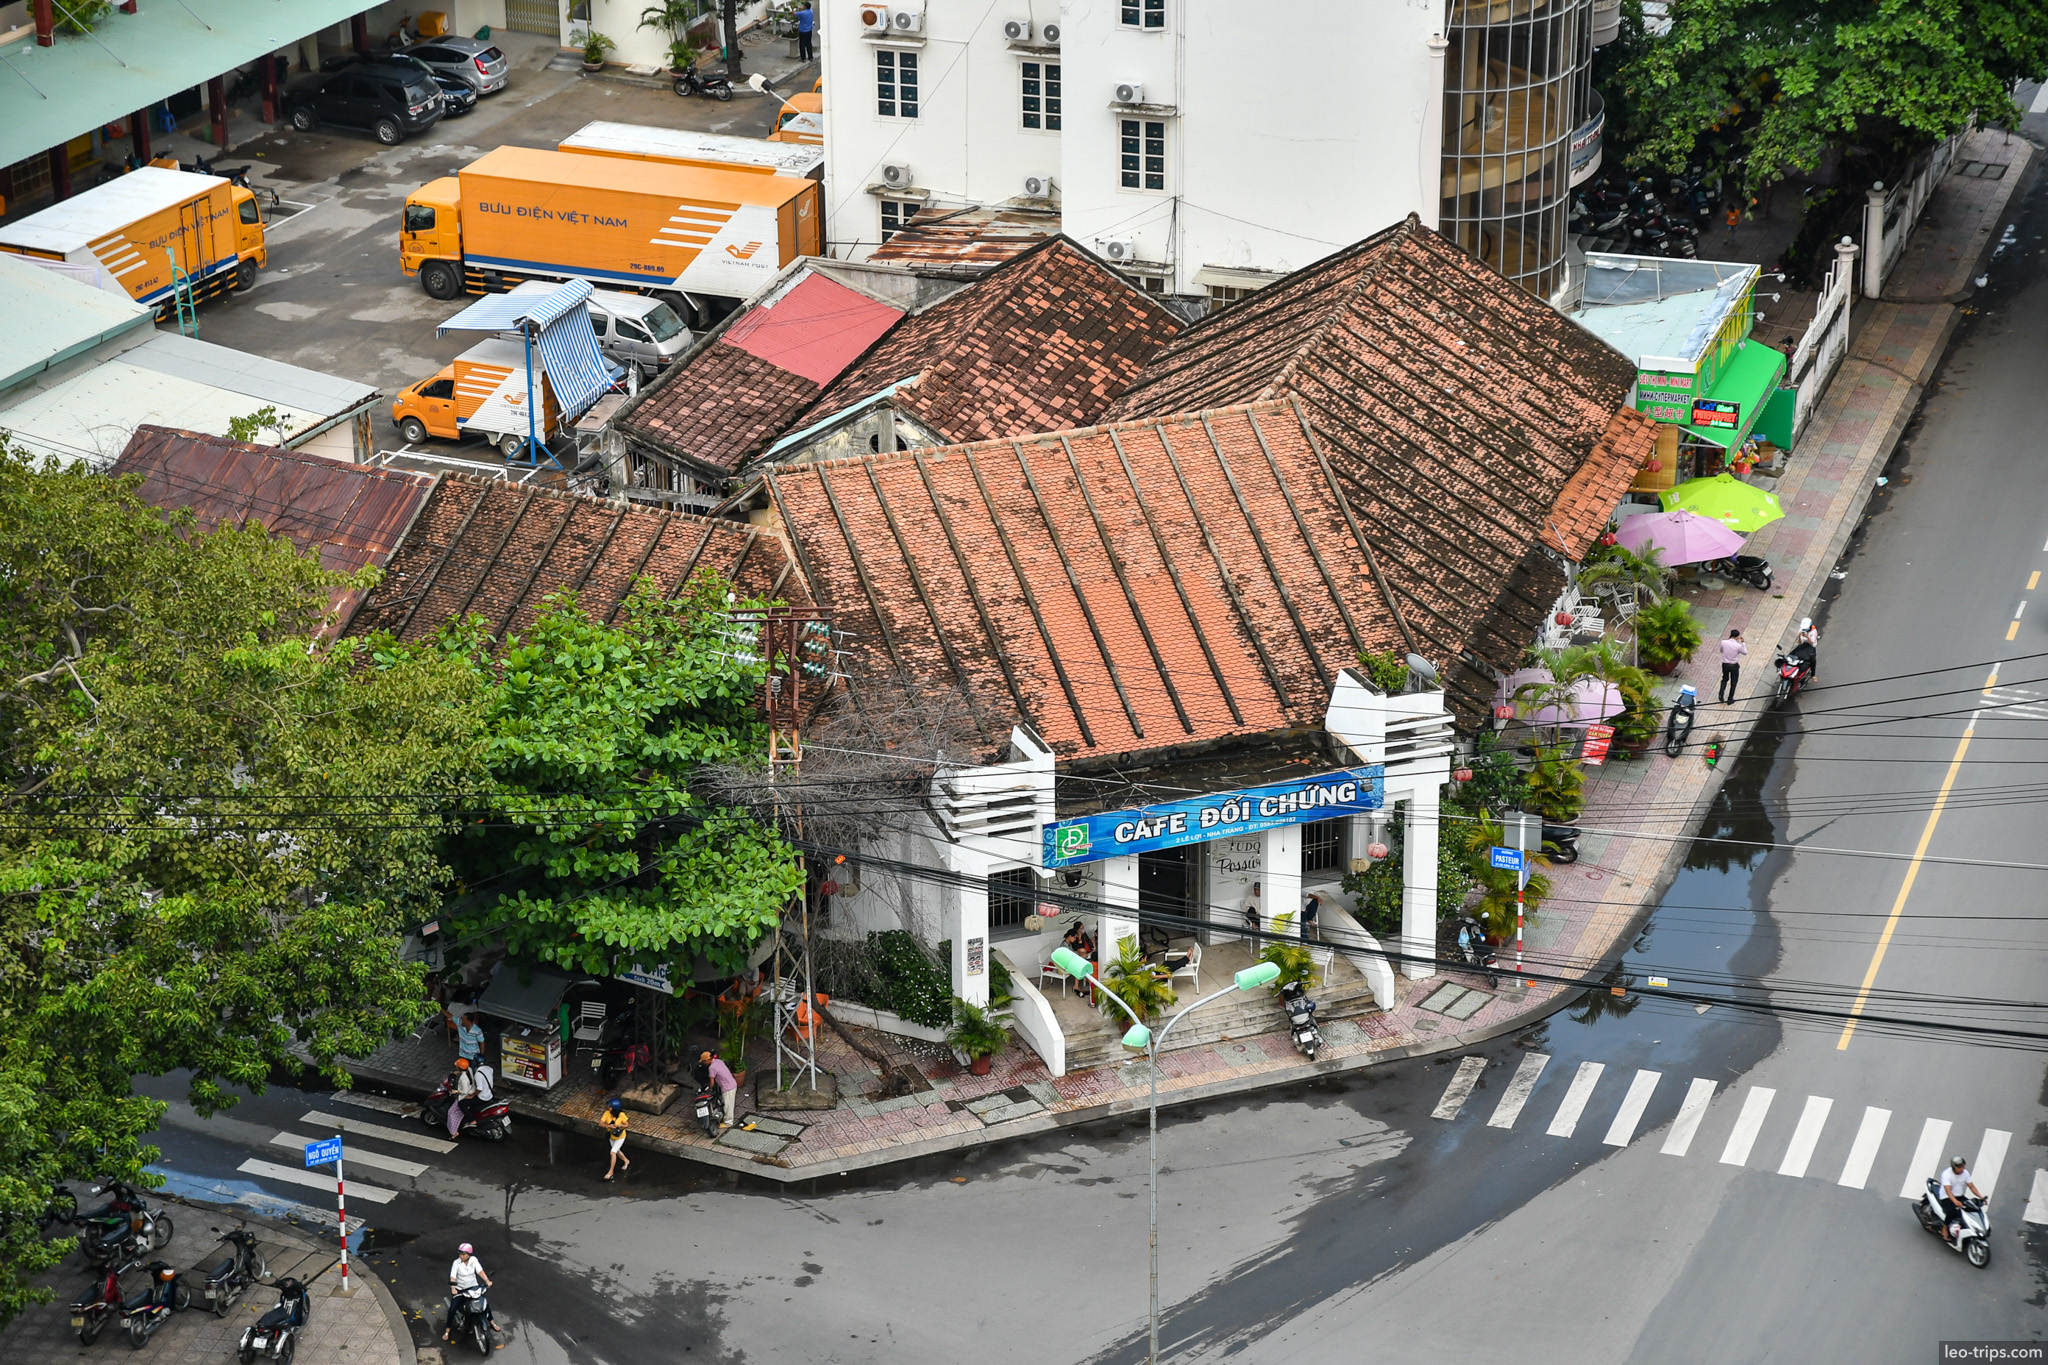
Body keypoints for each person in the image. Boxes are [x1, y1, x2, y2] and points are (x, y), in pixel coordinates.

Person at [444, 1243, 491, 1342]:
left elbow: (480, 1271)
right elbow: (453, 1276)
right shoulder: (456, 1263)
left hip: (473, 1288)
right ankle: (447, 1330)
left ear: (469, 1254)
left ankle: (492, 1321)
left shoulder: (474, 1260)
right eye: (460, 1254)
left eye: (463, 1254)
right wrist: (453, 1287)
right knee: (452, 1310)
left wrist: (487, 1281)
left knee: (484, 1304)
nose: (461, 1256)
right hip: (460, 1289)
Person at [1938, 1155, 1983, 1242]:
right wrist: (1955, 1201)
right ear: (1954, 1167)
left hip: (1959, 1196)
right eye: (1960, 1167)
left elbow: (1971, 1186)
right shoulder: (1946, 1174)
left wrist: (1980, 1197)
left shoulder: (1965, 1173)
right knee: (1952, 1211)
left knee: (1972, 1208)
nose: (1962, 1168)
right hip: (1947, 1197)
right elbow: (1948, 1191)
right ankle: (1944, 1228)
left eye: (1963, 1166)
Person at [700, 1049, 738, 1129]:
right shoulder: (718, 1061)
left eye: (704, 1061)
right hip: (731, 1083)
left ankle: (728, 1122)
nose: (704, 1063)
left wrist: (708, 1089)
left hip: (728, 1088)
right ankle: (724, 1118)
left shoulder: (711, 1068)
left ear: (707, 1060)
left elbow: (712, 1082)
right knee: (725, 1103)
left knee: (728, 1105)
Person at [599, 1096, 631, 1180]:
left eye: (610, 1107)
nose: (608, 1108)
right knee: (617, 1151)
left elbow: (627, 1125)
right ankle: (626, 1161)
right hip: (611, 1136)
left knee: (612, 1152)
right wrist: (608, 1126)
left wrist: (621, 1125)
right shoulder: (606, 1113)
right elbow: (600, 1123)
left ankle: (611, 1171)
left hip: (620, 1137)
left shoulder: (621, 1115)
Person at [447, 1058, 477, 1137]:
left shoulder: (463, 1078)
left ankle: (454, 1132)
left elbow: (464, 1091)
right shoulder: (469, 1069)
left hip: (464, 1096)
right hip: (472, 1091)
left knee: (451, 1112)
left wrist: (455, 1091)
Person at [1718, 628, 1748, 705]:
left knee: (1724, 679)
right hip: (1734, 665)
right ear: (1737, 637)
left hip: (1725, 664)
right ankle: (1730, 699)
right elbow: (1745, 652)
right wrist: (1743, 643)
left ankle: (1721, 694)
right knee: (1733, 682)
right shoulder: (1738, 646)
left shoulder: (1723, 642)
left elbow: (1721, 650)